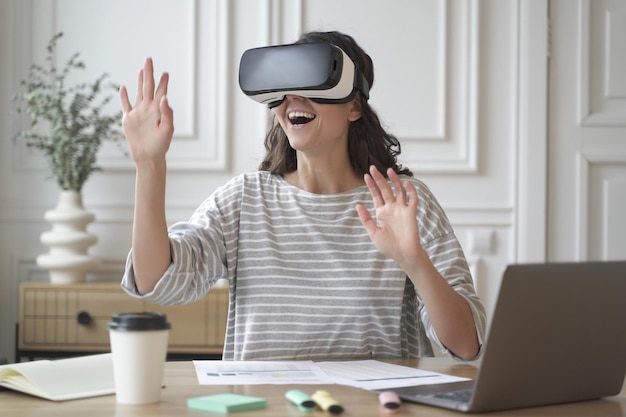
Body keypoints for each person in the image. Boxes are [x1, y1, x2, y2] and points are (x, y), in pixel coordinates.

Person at [119, 30, 486, 361]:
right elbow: (157, 281)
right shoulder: (245, 200)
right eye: (283, 87)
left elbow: (466, 344)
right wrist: (149, 165)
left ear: (354, 106)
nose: (292, 99)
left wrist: (414, 260)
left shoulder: (403, 203)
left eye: (312, 84)